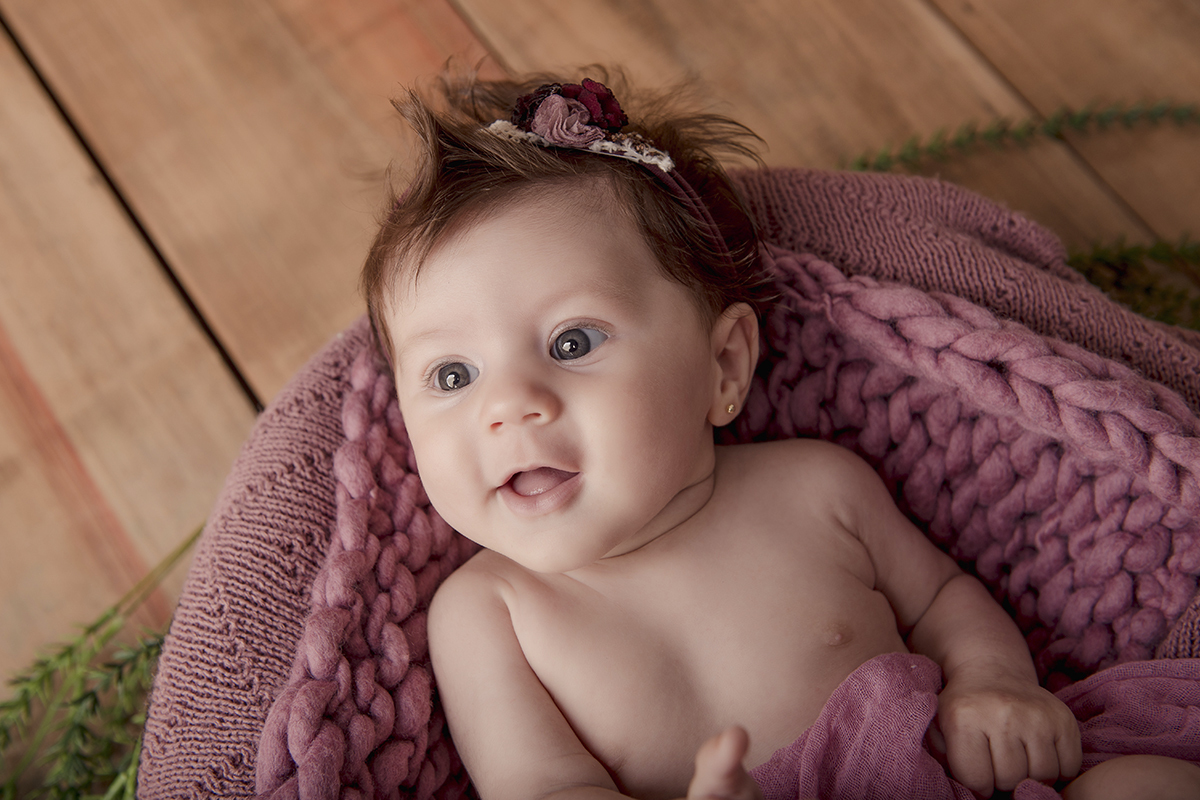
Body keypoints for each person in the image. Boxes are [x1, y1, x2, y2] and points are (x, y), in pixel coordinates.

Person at [360, 69, 1200, 800]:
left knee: (1146, 784)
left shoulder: (816, 489)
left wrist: (992, 684)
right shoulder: (487, 614)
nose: (510, 406)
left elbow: (946, 600)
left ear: (724, 368)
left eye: (572, 342)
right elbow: (544, 787)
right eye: (451, 376)